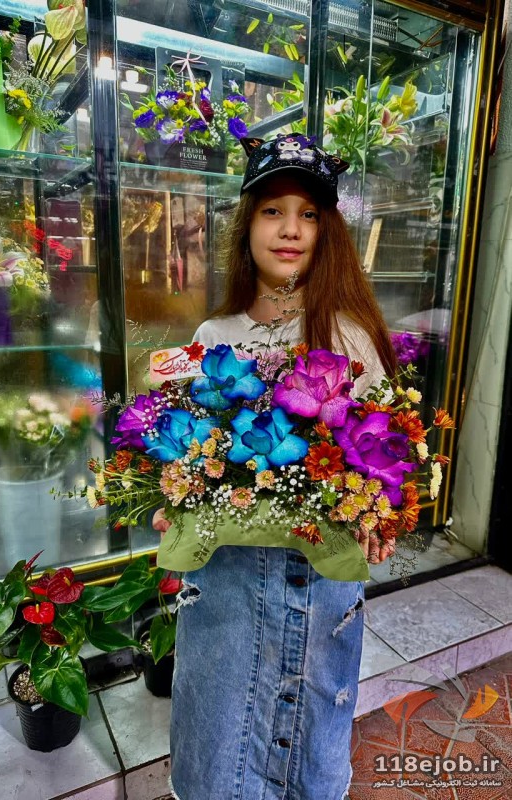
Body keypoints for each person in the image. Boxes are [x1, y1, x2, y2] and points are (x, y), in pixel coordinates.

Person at [160, 134, 398, 800]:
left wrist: (381, 509)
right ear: (246, 227)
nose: (290, 229)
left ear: (327, 232)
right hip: (228, 592)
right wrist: (170, 495)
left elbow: (386, 451)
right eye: (271, 211)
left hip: (318, 588)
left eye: (308, 214)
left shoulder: (351, 336)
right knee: (219, 753)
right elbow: (180, 449)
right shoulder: (212, 339)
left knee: (309, 754)